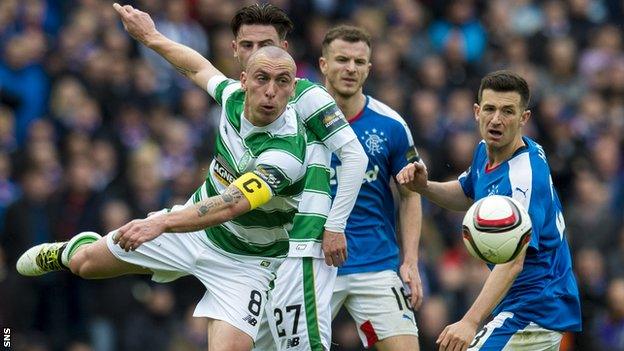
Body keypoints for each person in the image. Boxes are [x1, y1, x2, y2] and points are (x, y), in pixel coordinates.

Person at [16, 33, 307, 351]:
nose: (270, 91)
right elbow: (197, 67)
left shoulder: (287, 153)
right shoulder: (232, 97)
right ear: (244, 79)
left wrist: (163, 222)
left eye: (282, 82)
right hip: (194, 233)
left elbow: (231, 204)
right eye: (262, 78)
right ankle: (69, 250)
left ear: (293, 89)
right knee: (84, 264)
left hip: (247, 263)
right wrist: (150, 36)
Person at [397, 70, 582, 350]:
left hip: (535, 309)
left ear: (524, 118)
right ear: (476, 111)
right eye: (490, 109)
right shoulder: (486, 149)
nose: (496, 119)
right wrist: (424, 187)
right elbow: (466, 192)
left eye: (508, 111)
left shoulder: (524, 177)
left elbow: (513, 262)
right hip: (520, 307)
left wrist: (470, 322)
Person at [315, 25, 423, 350]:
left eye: (359, 62)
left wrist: (411, 261)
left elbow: (410, 194)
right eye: (342, 60)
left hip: (376, 263)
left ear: (369, 69)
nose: (351, 68)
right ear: (323, 64)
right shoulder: (297, 119)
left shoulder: (390, 125)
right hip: (311, 264)